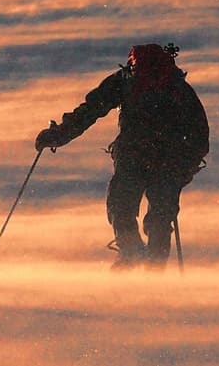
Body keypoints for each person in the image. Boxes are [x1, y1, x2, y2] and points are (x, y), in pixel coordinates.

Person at [35, 43, 209, 270]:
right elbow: (199, 134)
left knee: (121, 205)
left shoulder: (126, 81)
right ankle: (155, 271)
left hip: (132, 156)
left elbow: (90, 110)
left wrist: (57, 136)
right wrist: (186, 165)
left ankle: (131, 252)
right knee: (160, 215)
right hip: (169, 161)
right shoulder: (178, 88)